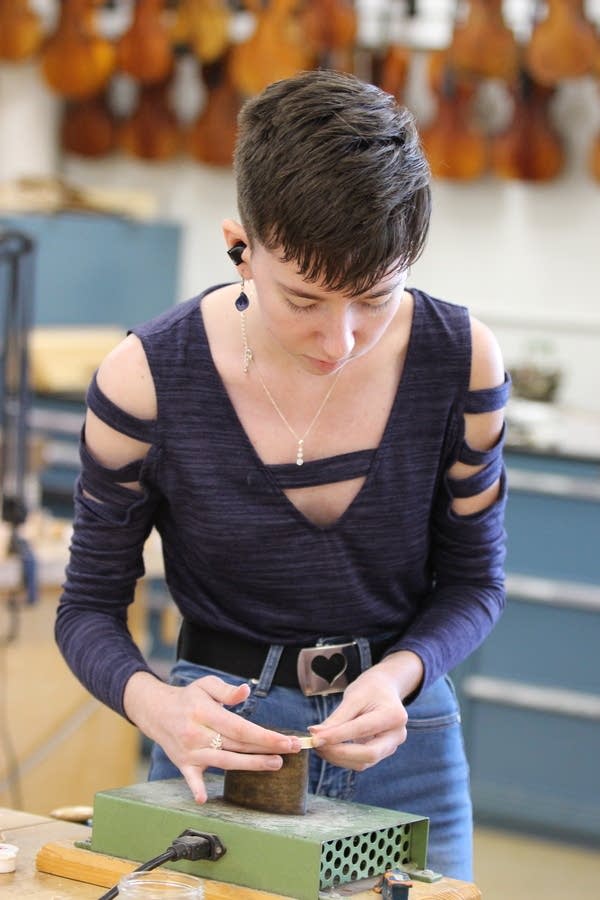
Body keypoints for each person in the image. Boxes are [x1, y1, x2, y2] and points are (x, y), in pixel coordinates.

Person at [55, 69, 509, 882]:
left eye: (375, 297)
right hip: (220, 741)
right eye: (303, 300)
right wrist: (157, 706)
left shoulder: (461, 362)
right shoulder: (146, 379)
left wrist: (402, 676)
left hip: (404, 736)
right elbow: (87, 608)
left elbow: (476, 585)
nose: (340, 339)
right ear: (242, 246)